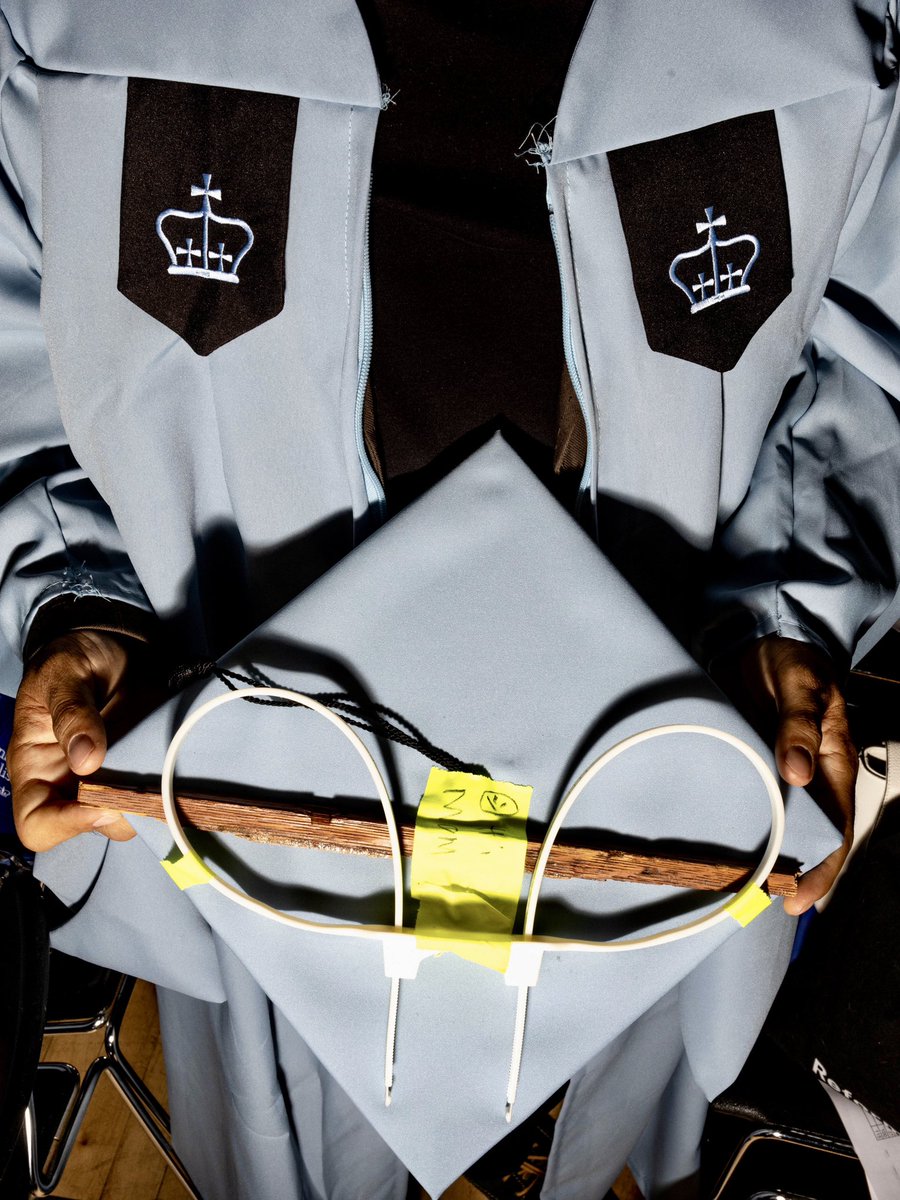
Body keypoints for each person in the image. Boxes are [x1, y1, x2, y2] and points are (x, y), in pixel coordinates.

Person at [2, 1, 898, 1196]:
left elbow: (863, 349)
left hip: (643, 753)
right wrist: (80, 595)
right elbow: (21, 314)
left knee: (567, 1083)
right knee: (324, 1128)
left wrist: (789, 602)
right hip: (264, 768)